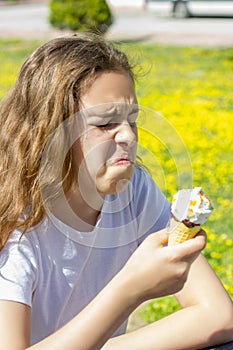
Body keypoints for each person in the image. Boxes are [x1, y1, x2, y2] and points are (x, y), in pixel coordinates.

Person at [0, 34, 232, 350]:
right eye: (105, 123)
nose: (127, 135)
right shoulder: (17, 227)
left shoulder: (132, 190)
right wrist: (128, 289)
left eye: (132, 119)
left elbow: (218, 315)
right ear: (48, 133)